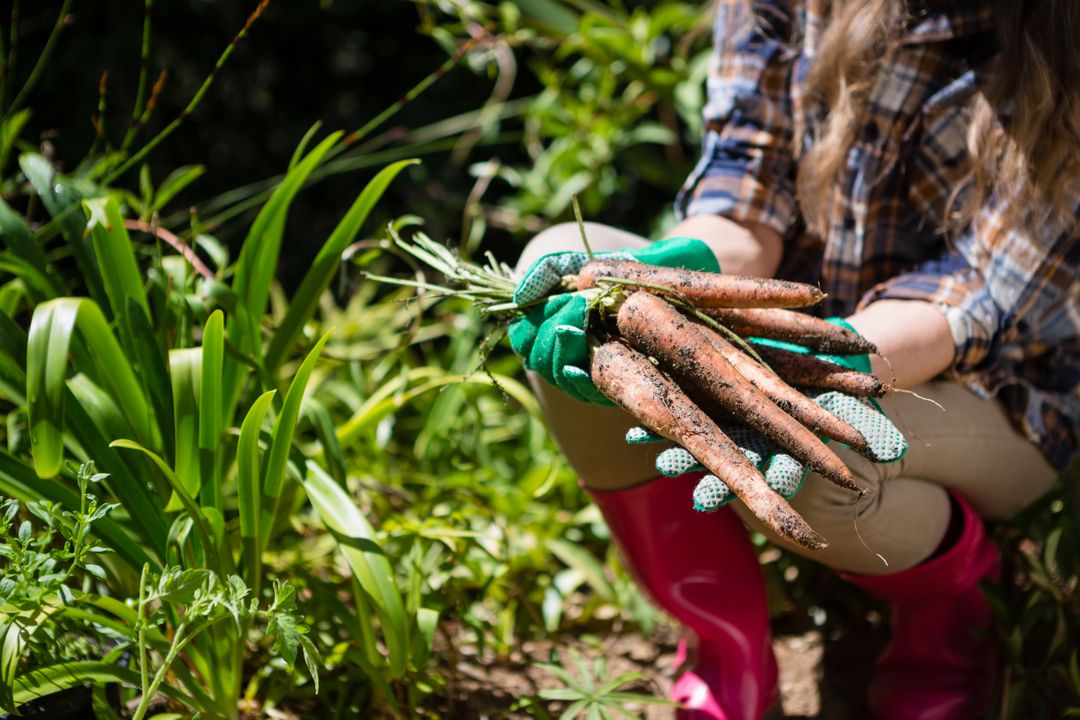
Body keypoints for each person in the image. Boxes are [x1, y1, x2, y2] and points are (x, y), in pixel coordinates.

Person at [508, 0, 1080, 718]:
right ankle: (727, 648)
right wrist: (670, 282)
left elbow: (974, 299)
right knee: (570, 290)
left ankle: (956, 612)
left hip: (994, 385)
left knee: (819, 456)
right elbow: (746, 190)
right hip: (801, 322)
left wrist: (789, 373)